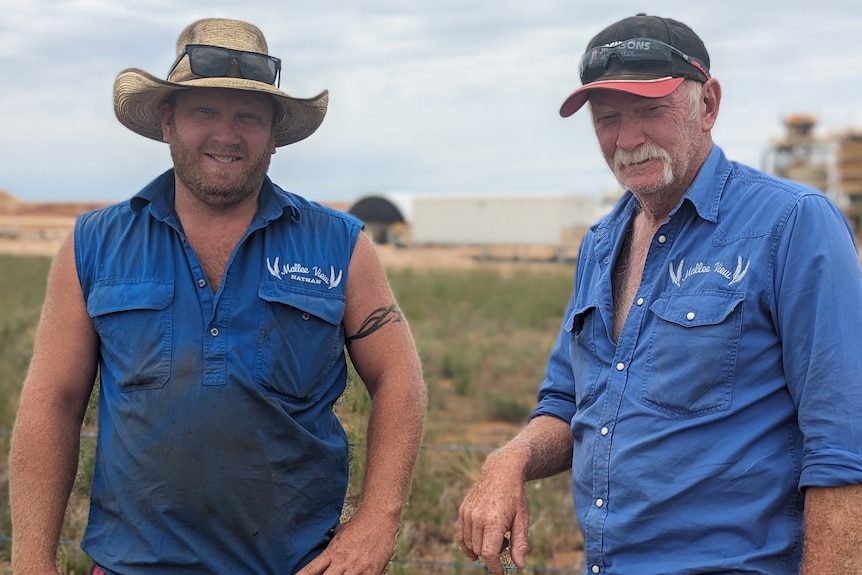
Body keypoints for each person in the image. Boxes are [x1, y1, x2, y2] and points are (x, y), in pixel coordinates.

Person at [9, 17, 427, 575]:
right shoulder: (94, 246)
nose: (226, 135)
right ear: (167, 122)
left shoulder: (339, 246)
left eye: (248, 116)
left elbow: (401, 378)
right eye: (204, 111)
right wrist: (32, 561)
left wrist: (376, 523)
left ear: (274, 134)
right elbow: (52, 401)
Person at [457, 13, 862, 575]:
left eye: (651, 111)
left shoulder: (792, 224)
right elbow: (567, 404)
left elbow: (843, 447)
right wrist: (509, 460)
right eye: (607, 119)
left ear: (709, 105)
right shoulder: (601, 244)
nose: (627, 139)